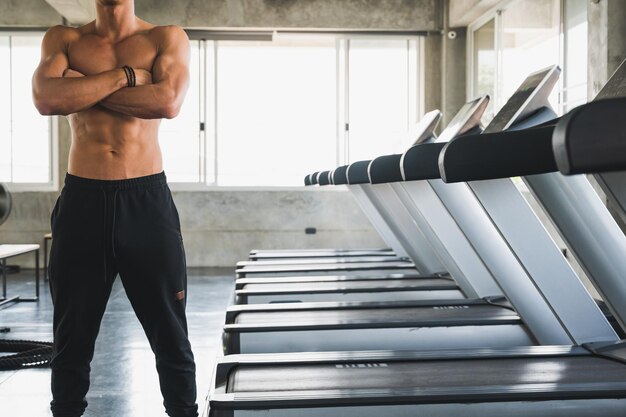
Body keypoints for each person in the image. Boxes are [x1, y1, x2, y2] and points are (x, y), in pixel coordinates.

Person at [32, 1, 197, 416]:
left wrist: (82, 89)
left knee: (171, 336)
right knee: (71, 340)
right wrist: (125, 78)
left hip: (146, 204)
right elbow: (46, 98)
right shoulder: (64, 39)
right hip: (82, 204)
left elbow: (167, 102)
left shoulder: (165, 38)